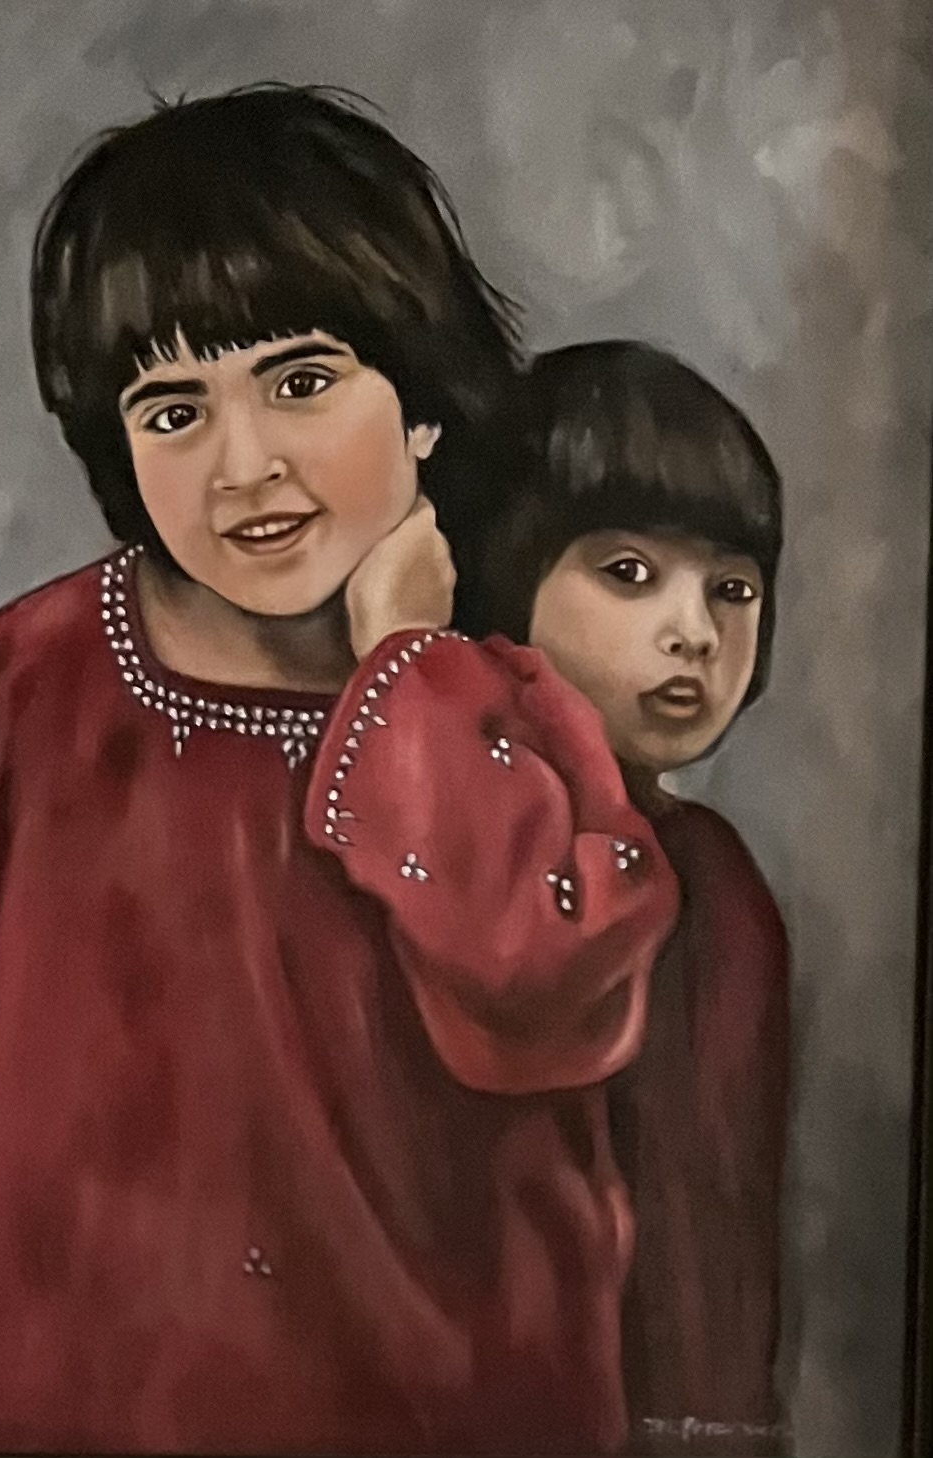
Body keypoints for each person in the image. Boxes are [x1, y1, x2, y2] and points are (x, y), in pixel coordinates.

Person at [0, 90, 680, 1456]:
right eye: (173, 410)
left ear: (423, 402)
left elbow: (538, 993)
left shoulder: (508, 706)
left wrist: (408, 669)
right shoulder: (20, 693)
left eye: (302, 382)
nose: (245, 466)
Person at [459, 339, 791, 1456]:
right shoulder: (460, 847)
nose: (695, 631)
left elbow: (719, 1244)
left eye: (732, 589)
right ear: (508, 578)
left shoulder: (717, 885)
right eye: (631, 574)